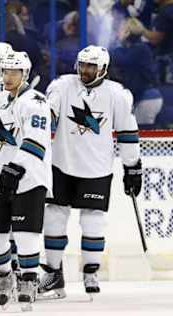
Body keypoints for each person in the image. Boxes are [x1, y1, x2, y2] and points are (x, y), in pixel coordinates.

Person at [38, 45, 142, 299]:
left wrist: (132, 167)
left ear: (103, 69)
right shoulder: (62, 86)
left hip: (97, 169)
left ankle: (90, 272)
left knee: (93, 220)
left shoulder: (117, 94)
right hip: (61, 165)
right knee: (53, 217)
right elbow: (47, 116)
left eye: (91, 66)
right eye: (82, 65)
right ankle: (54, 274)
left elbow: (128, 132)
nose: (85, 70)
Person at [0, 51, 51, 309]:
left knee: (25, 235)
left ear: (25, 74)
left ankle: (29, 280)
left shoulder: (36, 102)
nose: (9, 77)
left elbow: (36, 142)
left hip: (29, 180)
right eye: (6, 71)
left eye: (15, 72)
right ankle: (4, 276)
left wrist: (15, 168)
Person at [111, 18, 163, 126]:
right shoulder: (135, 48)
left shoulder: (139, 49)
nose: (117, 32)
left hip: (147, 98)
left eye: (120, 29)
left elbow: (119, 58)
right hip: (142, 98)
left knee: (141, 136)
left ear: (127, 32)